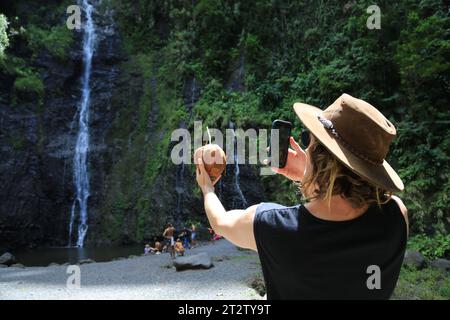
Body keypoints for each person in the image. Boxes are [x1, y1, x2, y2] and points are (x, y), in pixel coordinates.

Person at [195, 94, 408, 300]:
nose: (307, 148)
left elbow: (220, 222)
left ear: (319, 155)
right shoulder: (397, 216)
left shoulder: (273, 225)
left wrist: (207, 188)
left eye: (309, 141)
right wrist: (309, 174)